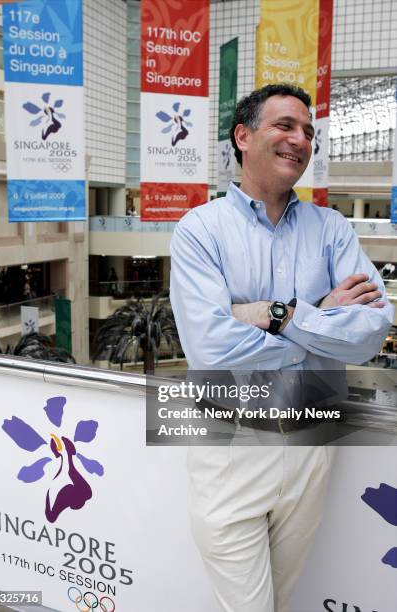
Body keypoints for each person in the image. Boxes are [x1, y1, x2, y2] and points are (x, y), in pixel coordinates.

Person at [170, 84, 393, 612]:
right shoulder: (200, 230)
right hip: (231, 442)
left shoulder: (332, 229)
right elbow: (211, 346)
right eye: (285, 126)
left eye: (309, 132)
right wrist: (320, 317)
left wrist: (276, 313)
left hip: (315, 437)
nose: (301, 139)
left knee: (282, 602)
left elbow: (368, 333)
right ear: (243, 137)